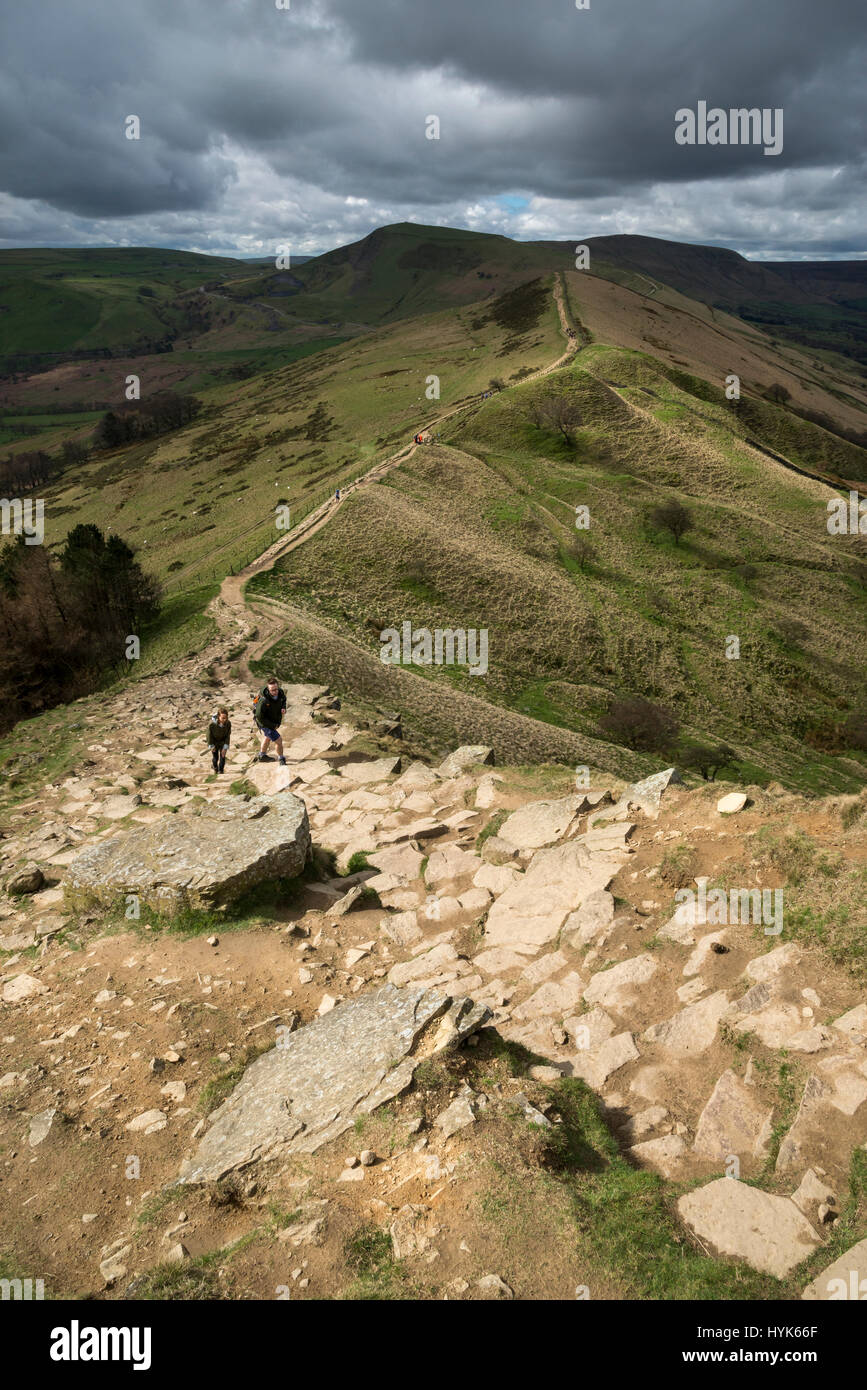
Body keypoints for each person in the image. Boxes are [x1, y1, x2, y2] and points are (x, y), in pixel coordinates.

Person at [255, 676, 288, 764]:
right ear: (268, 689)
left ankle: (262, 755)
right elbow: (259, 717)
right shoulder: (264, 700)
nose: (275, 692)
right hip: (265, 723)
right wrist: (272, 726)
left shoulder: (280, 692)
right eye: (272, 690)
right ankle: (281, 759)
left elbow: (284, 699)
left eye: (276, 689)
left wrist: (283, 707)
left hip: (273, 720)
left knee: (267, 737)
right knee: (279, 740)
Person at [208, 707, 231, 774]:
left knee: (223, 756)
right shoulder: (212, 725)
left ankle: (221, 770)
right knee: (215, 758)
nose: (225, 720)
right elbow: (209, 736)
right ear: (218, 717)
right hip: (214, 743)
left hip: (223, 743)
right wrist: (211, 745)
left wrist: (225, 746)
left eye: (226, 718)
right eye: (223, 718)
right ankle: (215, 767)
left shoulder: (228, 723)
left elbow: (228, 735)